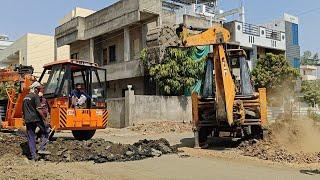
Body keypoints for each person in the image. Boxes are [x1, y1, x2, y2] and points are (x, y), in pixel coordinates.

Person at [22, 81, 49, 160]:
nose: (40, 91)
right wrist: (45, 119)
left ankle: (33, 155)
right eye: (39, 89)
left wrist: (25, 119)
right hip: (36, 118)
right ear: (36, 89)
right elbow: (38, 109)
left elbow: (23, 110)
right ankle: (41, 149)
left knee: (31, 137)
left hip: (28, 119)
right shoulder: (35, 96)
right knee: (46, 131)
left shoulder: (25, 98)